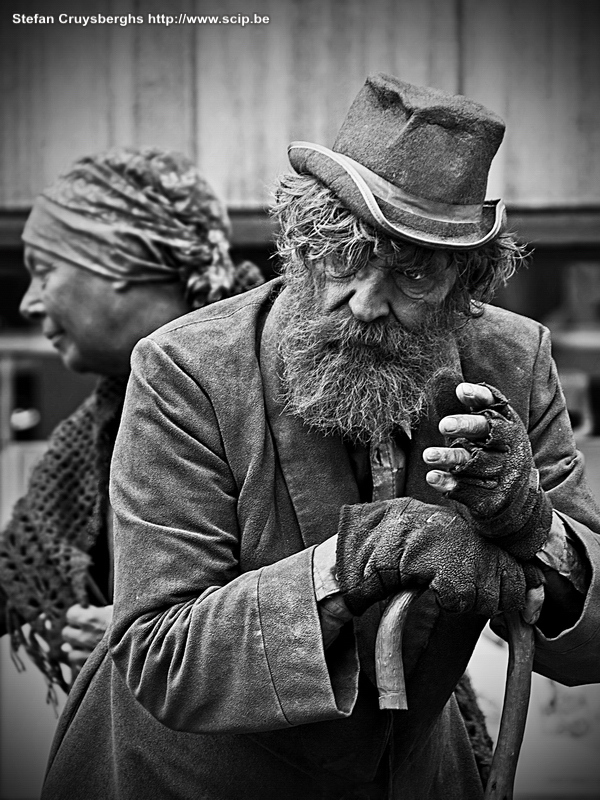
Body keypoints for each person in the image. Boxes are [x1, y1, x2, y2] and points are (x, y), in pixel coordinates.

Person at [42, 75, 600, 800]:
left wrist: (537, 531)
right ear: (300, 244)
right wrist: (355, 561)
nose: (366, 303)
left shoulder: (514, 363)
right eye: (344, 256)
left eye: (413, 274)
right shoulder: (187, 369)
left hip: (407, 777)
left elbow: (591, 641)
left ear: (467, 285)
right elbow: (163, 656)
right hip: (186, 780)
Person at [0, 147, 263, 698]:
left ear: (121, 258)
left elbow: (336, 589)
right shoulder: (97, 425)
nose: (27, 302)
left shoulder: (276, 380)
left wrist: (144, 635)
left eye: (43, 271)